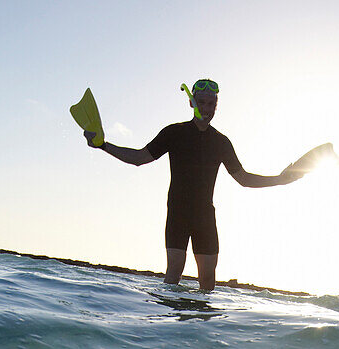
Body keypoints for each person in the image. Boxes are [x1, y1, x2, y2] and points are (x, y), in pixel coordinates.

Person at [82, 78, 304, 291]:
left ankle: (204, 327)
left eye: (212, 104)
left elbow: (243, 178)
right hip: (178, 213)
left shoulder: (221, 142)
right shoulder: (174, 133)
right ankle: (168, 326)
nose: (207, 108)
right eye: (202, 102)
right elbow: (140, 158)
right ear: (191, 102)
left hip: (205, 216)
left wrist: (280, 179)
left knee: (208, 281)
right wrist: (103, 145)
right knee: (174, 273)